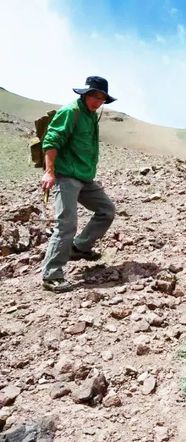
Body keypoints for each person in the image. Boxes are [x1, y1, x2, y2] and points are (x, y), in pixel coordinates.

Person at [40, 76, 117, 293]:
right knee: (66, 225)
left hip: (84, 177)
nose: (97, 101)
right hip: (66, 176)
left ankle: (79, 247)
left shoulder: (91, 115)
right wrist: (49, 172)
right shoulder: (70, 112)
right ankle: (51, 275)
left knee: (106, 210)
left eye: (101, 98)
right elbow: (51, 141)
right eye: (94, 96)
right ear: (85, 94)